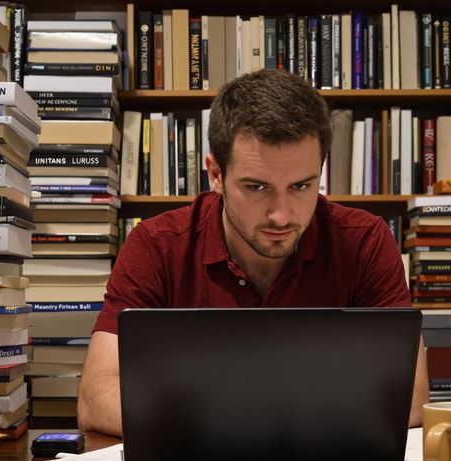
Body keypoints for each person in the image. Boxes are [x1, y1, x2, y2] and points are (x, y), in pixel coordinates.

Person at [78, 69, 429, 437]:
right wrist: (264, 421)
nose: (281, 214)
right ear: (215, 174)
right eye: (257, 186)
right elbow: (95, 398)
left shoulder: (364, 242)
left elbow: (412, 393)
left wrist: (222, 415)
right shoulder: (156, 244)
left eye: (301, 186)